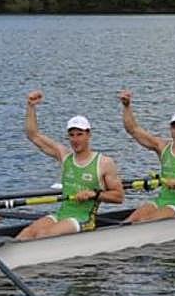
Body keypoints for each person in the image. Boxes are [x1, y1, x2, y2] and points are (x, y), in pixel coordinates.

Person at [16, 90, 123, 239]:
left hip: (83, 219)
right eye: (71, 135)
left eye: (80, 134)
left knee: (43, 235)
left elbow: (119, 197)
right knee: (27, 233)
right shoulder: (64, 156)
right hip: (62, 214)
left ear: (89, 135)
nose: (75, 139)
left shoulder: (104, 163)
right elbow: (33, 135)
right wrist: (31, 106)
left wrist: (94, 194)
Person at [117, 90, 175, 221]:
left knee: (148, 222)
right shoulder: (162, 147)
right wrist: (127, 106)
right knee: (130, 221)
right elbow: (133, 130)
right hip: (161, 200)